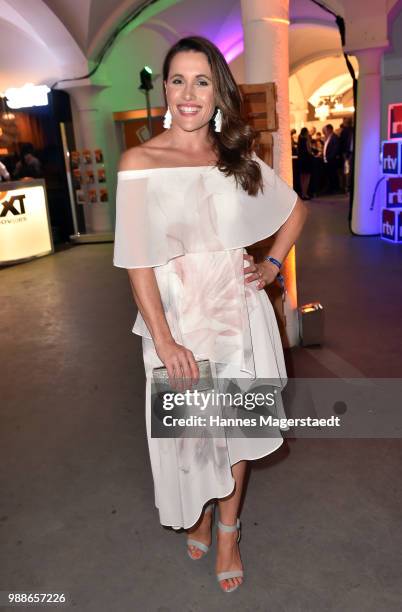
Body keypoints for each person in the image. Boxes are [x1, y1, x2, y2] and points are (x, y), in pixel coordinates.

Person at [113, 36, 307, 594]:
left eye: (202, 81)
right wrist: (164, 339)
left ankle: (227, 530)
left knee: (236, 430)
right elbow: (138, 263)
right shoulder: (138, 162)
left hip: (236, 313)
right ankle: (200, 509)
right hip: (175, 316)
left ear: (217, 91)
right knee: (191, 431)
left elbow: (295, 213)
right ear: (165, 91)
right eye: (177, 80)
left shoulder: (236, 159)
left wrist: (271, 266)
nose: (189, 93)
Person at [322, 124, 340, 194]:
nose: (325, 131)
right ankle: (330, 188)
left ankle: (333, 189)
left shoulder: (334, 137)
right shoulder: (328, 137)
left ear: (329, 129)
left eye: (326, 130)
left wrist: (329, 157)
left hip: (331, 160)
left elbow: (335, 149)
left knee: (333, 175)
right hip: (327, 160)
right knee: (329, 175)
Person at [297, 127, 314, 200]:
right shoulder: (306, 140)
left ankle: (302, 193)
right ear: (306, 133)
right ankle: (305, 194)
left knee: (302, 177)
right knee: (307, 177)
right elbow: (309, 150)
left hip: (300, 160)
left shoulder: (299, 139)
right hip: (307, 159)